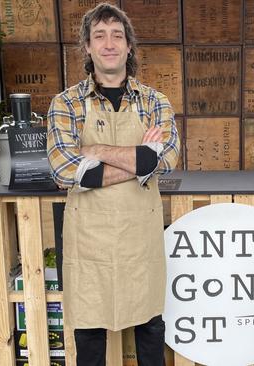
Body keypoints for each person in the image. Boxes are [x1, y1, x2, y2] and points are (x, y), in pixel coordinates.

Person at [46, 3, 179, 366]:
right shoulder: (65, 103)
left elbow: (164, 159)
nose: (109, 44)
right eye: (99, 36)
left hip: (140, 239)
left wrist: (95, 150)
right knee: (89, 333)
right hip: (89, 241)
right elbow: (66, 171)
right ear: (87, 47)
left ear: (129, 46)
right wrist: (139, 160)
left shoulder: (155, 101)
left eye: (117, 36)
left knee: (151, 329)